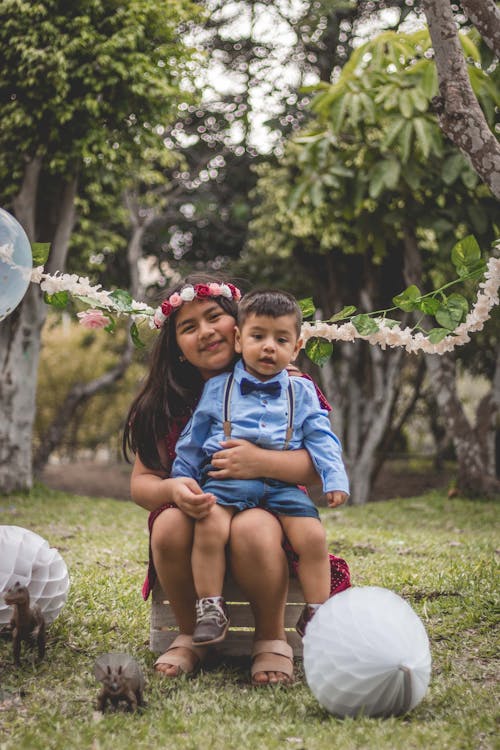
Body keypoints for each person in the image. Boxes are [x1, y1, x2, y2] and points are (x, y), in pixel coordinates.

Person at [124, 274, 350, 686]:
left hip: (270, 509)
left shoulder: (291, 386)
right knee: (169, 523)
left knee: (254, 529)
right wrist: (172, 488)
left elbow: (317, 465)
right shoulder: (164, 404)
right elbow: (142, 484)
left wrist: (260, 461)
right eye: (189, 327)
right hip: (204, 512)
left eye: (214, 317)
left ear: (239, 324)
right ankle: (194, 633)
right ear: (175, 346)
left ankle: (270, 637)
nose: (206, 331)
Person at [171, 289, 349, 646]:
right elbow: (193, 437)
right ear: (239, 340)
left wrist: (335, 476)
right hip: (227, 484)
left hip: (282, 487)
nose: (269, 347)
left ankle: (317, 611)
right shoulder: (219, 388)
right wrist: (183, 478)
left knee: (313, 538)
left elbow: (321, 438)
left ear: (296, 348)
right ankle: (210, 607)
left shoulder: (301, 391)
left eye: (280, 339)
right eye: (258, 337)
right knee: (209, 527)